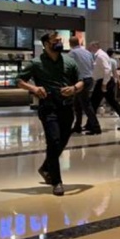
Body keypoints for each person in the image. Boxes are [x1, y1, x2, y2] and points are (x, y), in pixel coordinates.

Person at [17, 32, 83, 196]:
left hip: (67, 107)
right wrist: (34, 88)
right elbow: (18, 80)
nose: (59, 43)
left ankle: (46, 167)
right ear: (46, 44)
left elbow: (81, 81)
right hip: (48, 107)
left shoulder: (69, 61)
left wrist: (74, 88)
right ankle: (56, 181)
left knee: (63, 140)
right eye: (55, 41)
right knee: (53, 141)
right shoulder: (36, 63)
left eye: (60, 40)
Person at [89, 41, 120, 130]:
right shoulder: (100, 55)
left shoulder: (100, 56)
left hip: (103, 81)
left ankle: (92, 125)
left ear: (94, 46)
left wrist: (104, 84)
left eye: (90, 47)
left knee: (93, 103)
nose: (89, 49)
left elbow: (107, 70)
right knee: (112, 102)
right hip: (106, 81)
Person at [68, 36, 101, 135]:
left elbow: (69, 67)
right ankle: (77, 126)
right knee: (77, 104)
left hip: (81, 81)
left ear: (70, 43)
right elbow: (92, 65)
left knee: (86, 105)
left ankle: (96, 127)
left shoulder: (72, 53)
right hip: (89, 79)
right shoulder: (87, 52)